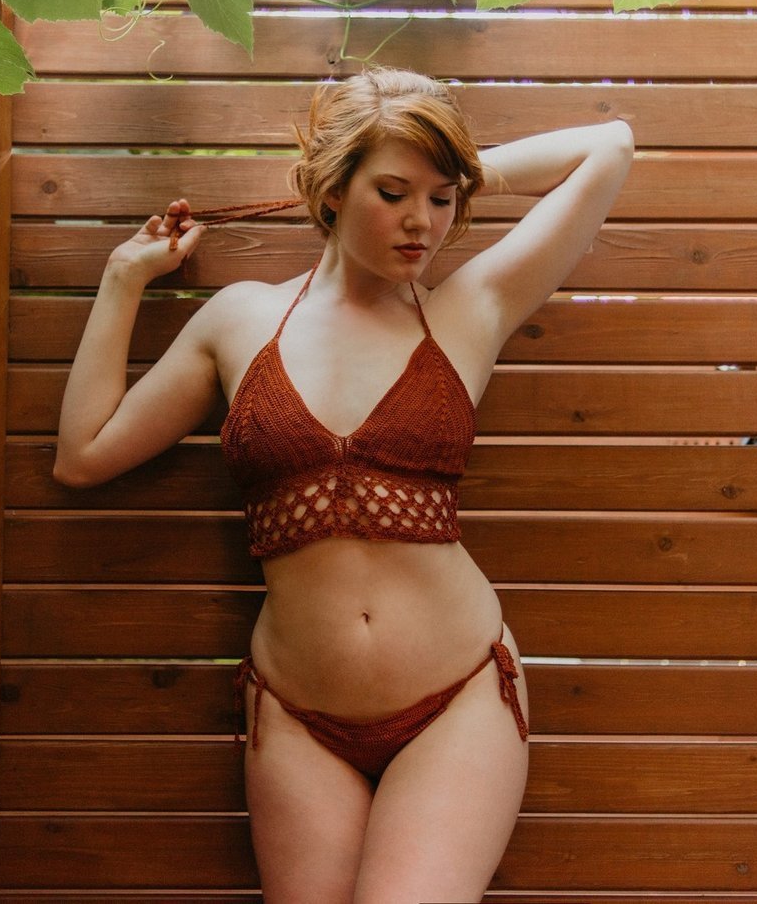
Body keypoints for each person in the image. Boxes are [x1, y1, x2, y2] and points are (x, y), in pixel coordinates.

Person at [51, 66, 634, 903]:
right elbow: (84, 454)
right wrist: (124, 278)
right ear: (330, 189)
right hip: (296, 716)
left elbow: (611, 146)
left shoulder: (468, 309)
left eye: (441, 199)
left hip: (458, 699)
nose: (422, 222)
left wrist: (459, 167)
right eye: (393, 192)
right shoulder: (240, 321)